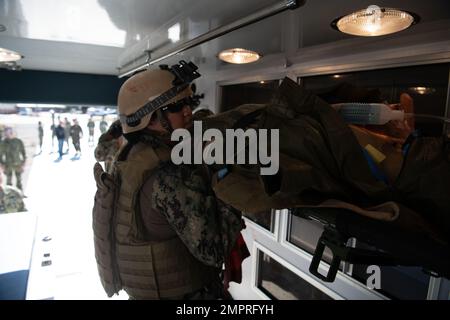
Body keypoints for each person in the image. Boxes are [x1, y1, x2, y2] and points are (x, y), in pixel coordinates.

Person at [93, 63, 245, 300]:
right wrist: (229, 181)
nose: (188, 112)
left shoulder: (127, 156)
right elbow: (216, 249)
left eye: (188, 104)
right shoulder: (167, 178)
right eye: (176, 107)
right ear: (149, 119)